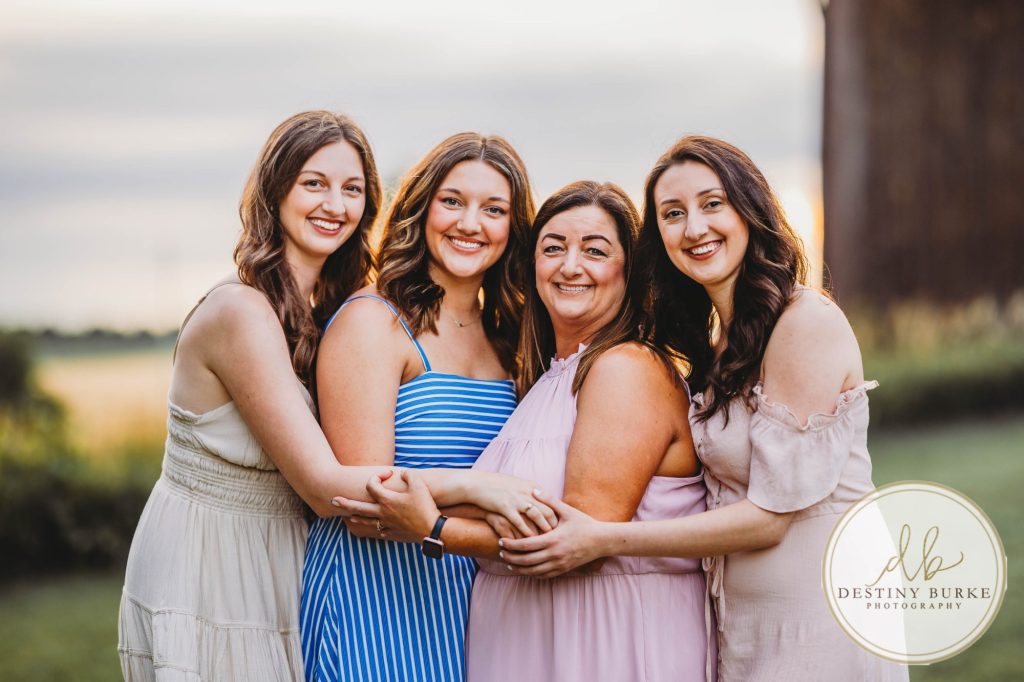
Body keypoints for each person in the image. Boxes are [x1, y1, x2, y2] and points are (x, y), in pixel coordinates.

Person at [118, 113, 547, 682]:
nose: (334, 204)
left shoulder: (327, 307)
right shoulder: (243, 312)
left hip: (318, 557)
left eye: (352, 189)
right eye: (313, 183)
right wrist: (481, 489)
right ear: (275, 191)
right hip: (217, 558)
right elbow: (329, 487)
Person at [499, 137, 908, 681]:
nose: (694, 228)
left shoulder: (803, 320)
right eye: (673, 214)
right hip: (743, 621)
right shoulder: (720, 342)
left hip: (821, 614)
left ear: (750, 207)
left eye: (712, 204)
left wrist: (605, 538)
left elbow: (769, 518)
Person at [338, 181, 710, 681]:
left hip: (600, 641)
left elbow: (575, 545)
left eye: (595, 251)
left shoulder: (626, 367)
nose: (570, 266)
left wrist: (434, 529)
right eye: (552, 248)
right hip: (525, 638)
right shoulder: (542, 380)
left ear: (632, 269)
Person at [300, 132, 547, 682]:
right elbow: (360, 499)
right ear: (422, 208)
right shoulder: (374, 320)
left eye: (494, 209)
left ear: (514, 228)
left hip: (474, 598)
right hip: (374, 597)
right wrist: (477, 488)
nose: (470, 223)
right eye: (452, 201)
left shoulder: (512, 338)